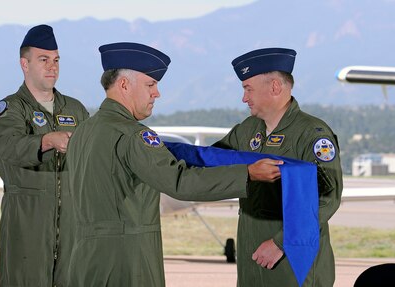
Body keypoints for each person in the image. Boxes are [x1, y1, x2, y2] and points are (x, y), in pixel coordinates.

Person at [65, 42, 284, 287]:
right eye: (151, 84)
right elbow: (180, 182)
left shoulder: (82, 132)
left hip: (83, 260)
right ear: (124, 84)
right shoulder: (133, 136)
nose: (156, 93)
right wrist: (247, 174)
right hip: (127, 263)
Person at [212, 48, 343, 286]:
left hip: (292, 260)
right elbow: (212, 161)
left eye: (248, 88)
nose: (244, 98)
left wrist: (281, 242)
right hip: (252, 257)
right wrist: (157, 151)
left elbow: (326, 199)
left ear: (274, 87)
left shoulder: (312, 134)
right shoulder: (248, 130)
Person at [0, 24, 89, 287]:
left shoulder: (76, 109)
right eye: (43, 60)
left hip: (72, 225)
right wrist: (46, 141)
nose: (52, 66)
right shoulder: (10, 109)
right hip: (26, 221)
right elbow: (8, 148)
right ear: (25, 63)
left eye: (56, 60)